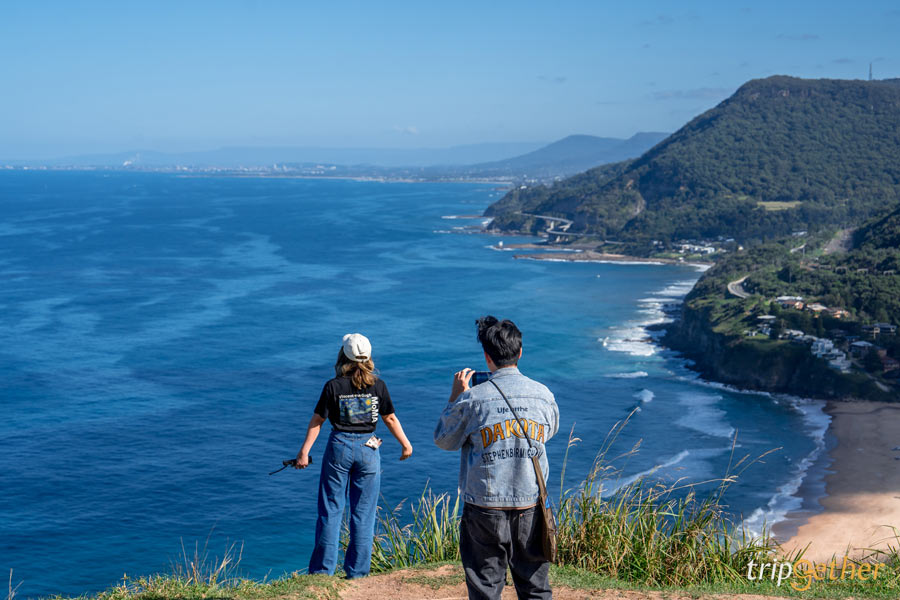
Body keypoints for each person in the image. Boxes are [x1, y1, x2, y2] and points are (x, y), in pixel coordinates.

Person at [434, 316, 559, 600]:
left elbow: (445, 440)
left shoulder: (473, 399)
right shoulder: (543, 395)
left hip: (484, 506)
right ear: (520, 352)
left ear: (487, 357)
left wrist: (455, 398)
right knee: (535, 587)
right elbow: (548, 433)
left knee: (485, 589)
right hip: (530, 502)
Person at [295, 333, 413, 578]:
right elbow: (389, 418)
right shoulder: (378, 385)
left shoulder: (333, 385)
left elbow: (318, 420)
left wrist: (304, 452)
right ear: (368, 357)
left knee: (331, 509)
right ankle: (357, 573)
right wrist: (406, 445)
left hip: (339, 447)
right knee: (363, 513)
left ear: (343, 356)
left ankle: (321, 572)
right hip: (369, 449)